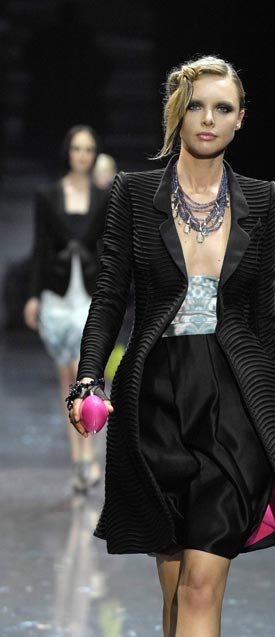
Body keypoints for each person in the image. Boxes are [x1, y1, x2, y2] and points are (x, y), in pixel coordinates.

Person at [67, 55, 275, 636]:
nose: (209, 119)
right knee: (175, 594)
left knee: (202, 587)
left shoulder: (263, 199)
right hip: (155, 401)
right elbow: (110, 296)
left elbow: (264, 318)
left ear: (240, 119)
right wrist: (88, 378)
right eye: (197, 106)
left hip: (234, 402)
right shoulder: (134, 193)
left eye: (223, 108)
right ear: (177, 114)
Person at [24, 124, 109, 494]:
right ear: (68, 152)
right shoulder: (48, 195)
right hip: (57, 296)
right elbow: (40, 247)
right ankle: (79, 458)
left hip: (89, 294)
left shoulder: (104, 197)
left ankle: (88, 455)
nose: (83, 155)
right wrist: (33, 296)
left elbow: (109, 248)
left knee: (83, 374)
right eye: (77, 148)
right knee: (67, 378)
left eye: (89, 149)